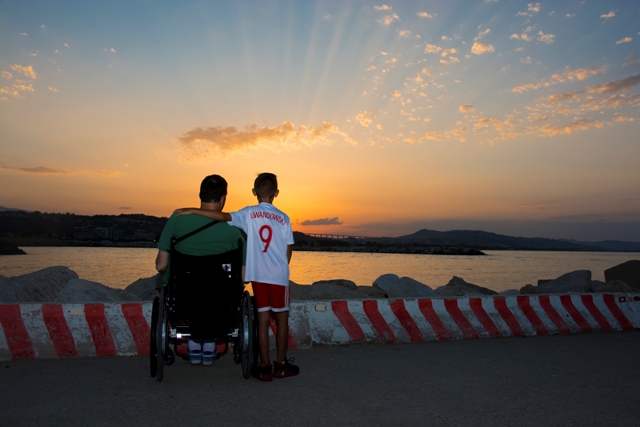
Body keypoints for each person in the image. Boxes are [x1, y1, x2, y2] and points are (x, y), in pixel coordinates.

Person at [177, 172, 298, 381]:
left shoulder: (249, 213)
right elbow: (288, 250)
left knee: (262, 320)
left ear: (254, 192)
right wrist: (281, 268)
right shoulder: (284, 218)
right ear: (276, 193)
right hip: (278, 275)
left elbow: (223, 216)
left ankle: (264, 366)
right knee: (281, 319)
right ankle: (281, 364)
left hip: (259, 275)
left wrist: (192, 210)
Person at [156, 174, 246, 366]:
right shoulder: (233, 230)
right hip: (220, 298)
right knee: (215, 290)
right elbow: (243, 277)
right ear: (223, 198)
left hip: (184, 294)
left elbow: (161, 266)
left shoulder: (178, 218)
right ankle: (210, 343)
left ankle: (194, 343)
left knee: (191, 288)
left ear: (200, 195)